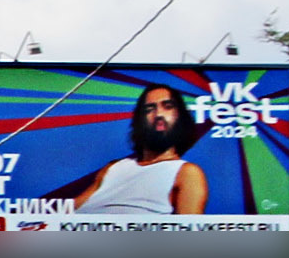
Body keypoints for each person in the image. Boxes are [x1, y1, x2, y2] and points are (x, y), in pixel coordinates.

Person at [66, 83, 212, 214]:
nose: (159, 114)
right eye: (149, 109)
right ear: (140, 119)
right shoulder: (114, 168)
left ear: (179, 117)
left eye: (167, 107)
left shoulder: (186, 173)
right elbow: (67, 212)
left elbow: (190, 230)